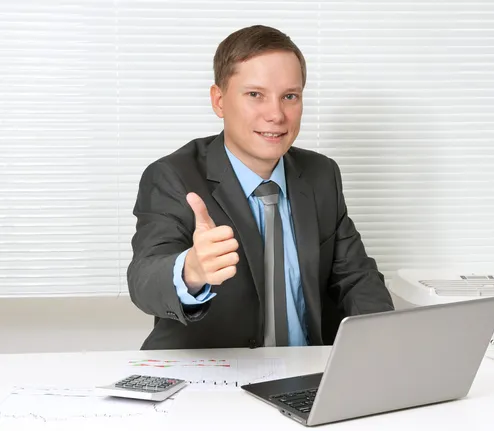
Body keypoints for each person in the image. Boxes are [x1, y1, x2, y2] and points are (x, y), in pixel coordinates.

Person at [127, 25, 394, 350]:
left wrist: (382, 346)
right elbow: (144, 278)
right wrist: (191, 270)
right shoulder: (172, 176)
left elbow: (356, 278)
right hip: (214, 381)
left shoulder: (321, 175)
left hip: (308, 375)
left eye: (290, 96)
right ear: (219, 100)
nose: (276, 114)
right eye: (255, 95)